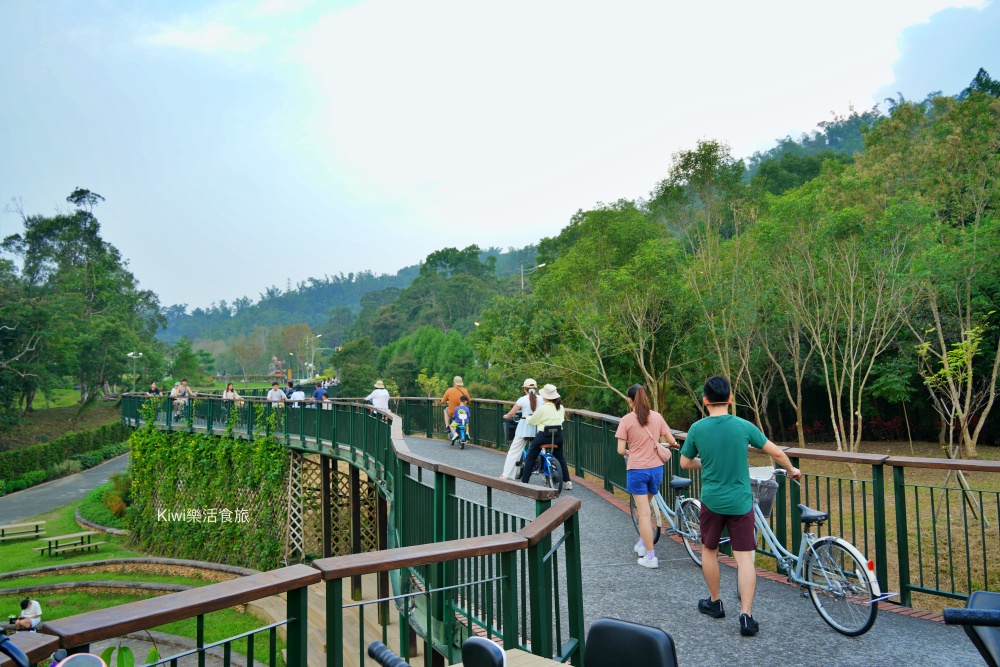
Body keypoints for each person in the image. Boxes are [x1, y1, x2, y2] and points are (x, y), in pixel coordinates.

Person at [680, 375, 801, 637]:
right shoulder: (744, 426)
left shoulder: (697, 429)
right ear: (730, 399)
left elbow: (685, 463)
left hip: (712, 500)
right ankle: (746, 616)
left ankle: (714, 602)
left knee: (709, 550)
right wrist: (791, 470)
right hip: (740, 501)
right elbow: (777, 452)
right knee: (744, 558)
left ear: (705, 401)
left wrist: (706, 463)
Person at [616, 384, 679, 569]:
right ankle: (642, 544)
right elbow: (671, 441)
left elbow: (620, 450)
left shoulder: (626, 420)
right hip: (656, 470)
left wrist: (631, 452)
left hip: (637, 471)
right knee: (646, 509)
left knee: (643, 513)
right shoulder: (657, 417)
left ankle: (651, 557)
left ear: (630, 400)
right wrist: (673, 444)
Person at [520, 384, 571, 490]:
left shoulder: (542, 408)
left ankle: (524, 482)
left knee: (531, 456)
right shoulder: (560, 407)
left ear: (545, 397)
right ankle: (568, 481)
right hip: (558, 436)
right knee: (560, 457)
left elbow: (533, 420)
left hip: (543, 436)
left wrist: (527, 417)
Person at [500, 379, 539, 480]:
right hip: (538, 428)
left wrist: (506, 416)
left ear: (525, 389)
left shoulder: (522, 400)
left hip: (524, 428)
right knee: (540, 449)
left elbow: (511, 413)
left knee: (514, 451)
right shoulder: (542, 399)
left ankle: (506, 475)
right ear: (536, 388)